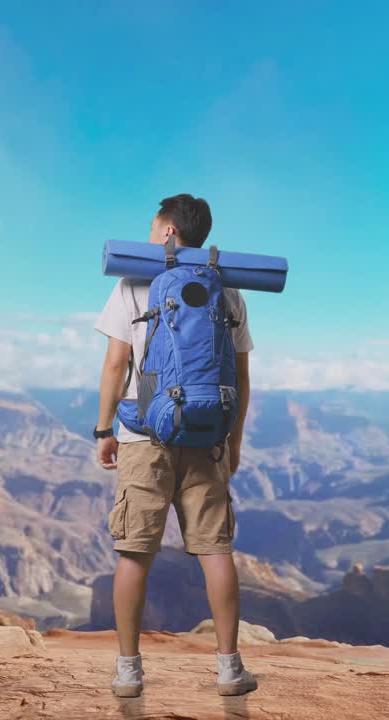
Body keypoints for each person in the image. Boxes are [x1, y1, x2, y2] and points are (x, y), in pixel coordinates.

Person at [92, 193, 257, 697]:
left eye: (152, 225)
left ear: (167, 232)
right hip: (207, 436)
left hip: (145, 435)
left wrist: (103, 431)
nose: (147, 234)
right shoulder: (228, 291)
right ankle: (229, 670)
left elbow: (116, 366)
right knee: (215, 550)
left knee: (133, 553)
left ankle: (128, 673)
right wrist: (233, 442)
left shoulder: (132, 285)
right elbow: (243, 377)